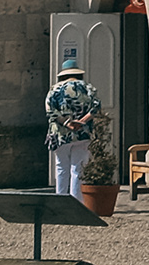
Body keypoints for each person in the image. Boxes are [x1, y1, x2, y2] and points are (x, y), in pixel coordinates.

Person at [44, 61, 104, 199]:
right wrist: (82, 121)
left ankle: (61, 200)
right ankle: (77, 201)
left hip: (61, 134)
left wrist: (67, 123)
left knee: (61, 167)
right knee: (78, 168)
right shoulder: (88, 88)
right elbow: (96, 107)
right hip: (83, 133)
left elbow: (51, 111)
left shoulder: (55, 89)